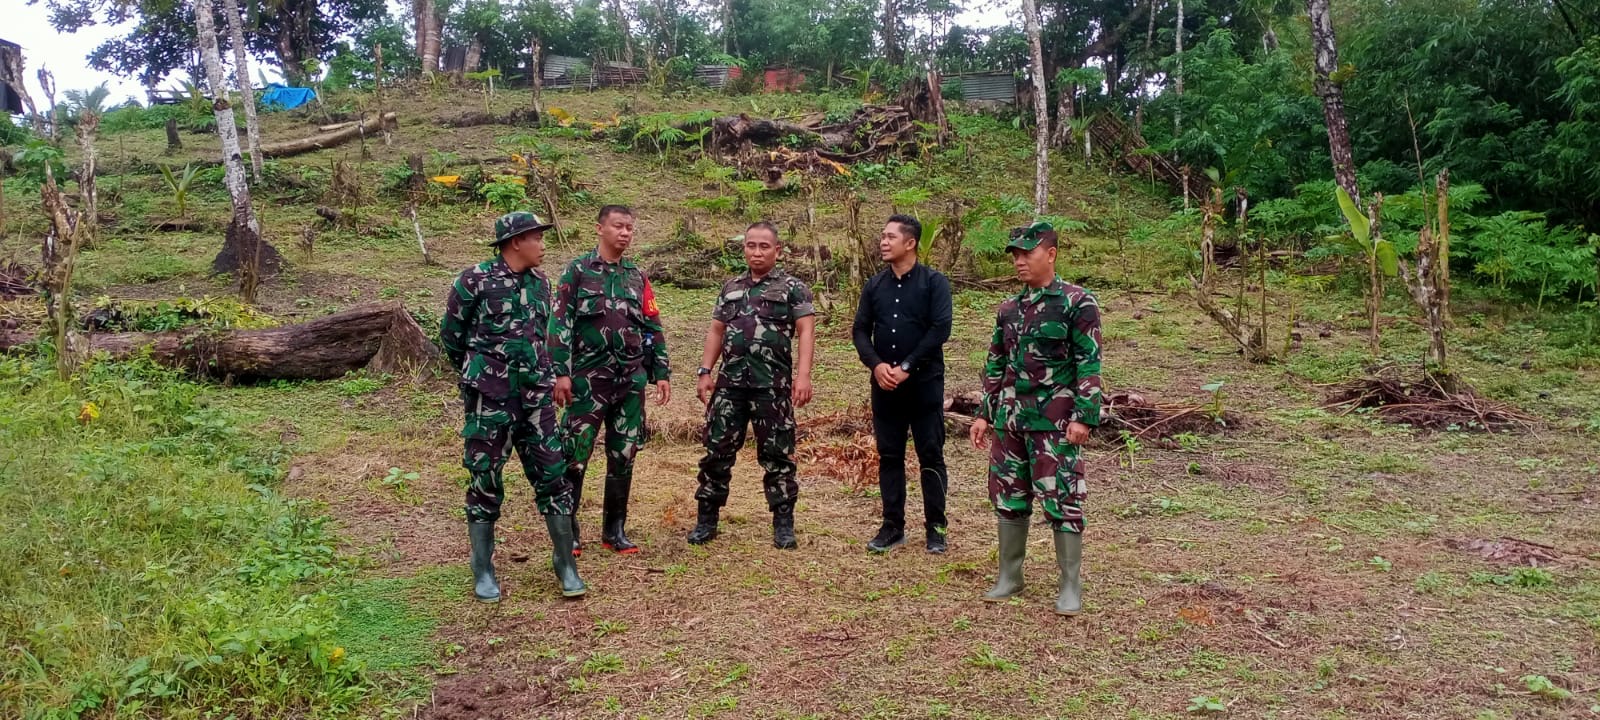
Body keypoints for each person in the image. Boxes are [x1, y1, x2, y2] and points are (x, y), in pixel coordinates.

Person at [440, 211, 585, 602]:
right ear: (516, 241)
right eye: (537, 237)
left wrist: (549, 375)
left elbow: (544, 337)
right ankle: (483, 568)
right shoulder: (474, 280)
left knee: (554, 475)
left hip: (536, 400)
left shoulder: (541, 283)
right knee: (485, 478)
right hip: (491, 401)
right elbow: (451, 336)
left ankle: (565, 563)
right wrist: (480, 373)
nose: (542, 245)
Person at [968, 221, 1103, 616]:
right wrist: (985, 413)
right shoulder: (1009, 309)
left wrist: (1084, 417)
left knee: (1062, 499)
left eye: (1027, 253)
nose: (1019, 261)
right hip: (1010, 421)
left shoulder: (1077, 303)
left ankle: (1070, 586)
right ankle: (1010, 576)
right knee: (1008, 497)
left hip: (1054, 423)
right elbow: (996, 364)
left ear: (1051, 254)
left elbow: (1089, 363)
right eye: (1015, 254)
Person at [549, 205, 670, 555]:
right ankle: (569, 533)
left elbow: (651, 324)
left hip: (629, 381)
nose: (625, 233)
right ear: (599, 228)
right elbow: (559, 323)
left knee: (624, 454)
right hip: (587, 381)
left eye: (630, 227)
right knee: (574, 454)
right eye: (618, 226)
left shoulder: (637, 276)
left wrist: (661, 372)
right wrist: (561, 373)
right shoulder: (578, 271)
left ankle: (614, 531)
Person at [687, 222, 817, 549]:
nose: (756, 252)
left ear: (777, 250)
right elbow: (716, 330)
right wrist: (705, 371)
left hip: (772, 386)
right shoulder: (731, 287)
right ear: (744, 248)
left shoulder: (793, 288)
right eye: (751, 245)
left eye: (764, 246)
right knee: (717, 451)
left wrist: (803, 376)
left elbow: (806, 331)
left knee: (778, 454)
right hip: (729, 385)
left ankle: (783, 524)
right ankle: (706, 520)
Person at [852, 214, 953, 554]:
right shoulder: (874, 286)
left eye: (890, 237)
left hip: (924, 385)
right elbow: (860, 330)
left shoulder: (934, 283)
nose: (883, 242)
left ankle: (936, 528)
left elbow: (940, 329)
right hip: (885, 387)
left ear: (910, 243)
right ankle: (892, 526)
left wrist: (908, 366)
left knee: (930, 455)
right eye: (882, 236)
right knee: (889, 455)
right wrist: (877, 365)